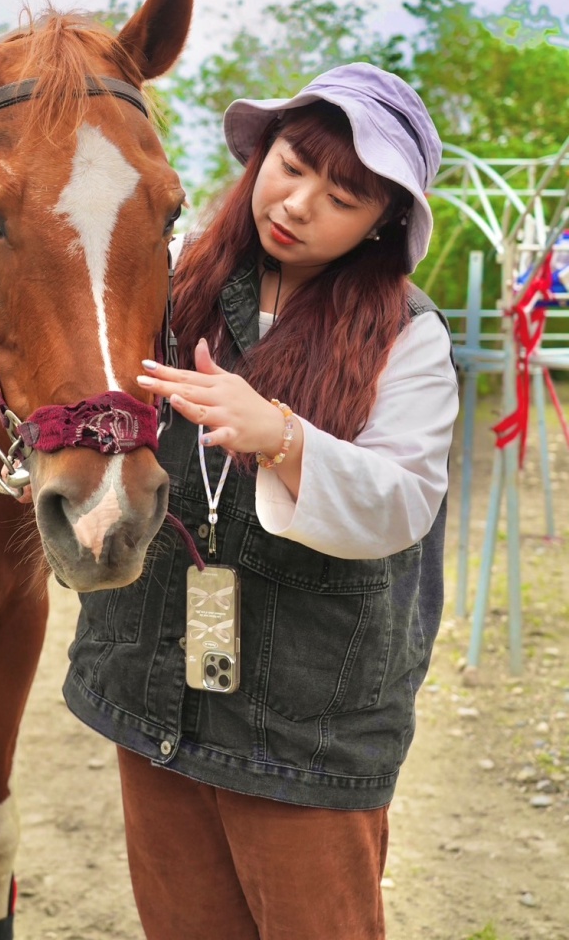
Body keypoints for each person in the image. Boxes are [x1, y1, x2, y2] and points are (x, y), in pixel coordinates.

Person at [63, 62, 459, 940]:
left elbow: (404, 503)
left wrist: (282, 438)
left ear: (385, 221)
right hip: (156, 683)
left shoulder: (409, 335)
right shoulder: (169, 283)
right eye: (292, 163)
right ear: (260, 156)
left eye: (344, 195)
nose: (298, 202)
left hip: (305, 721)